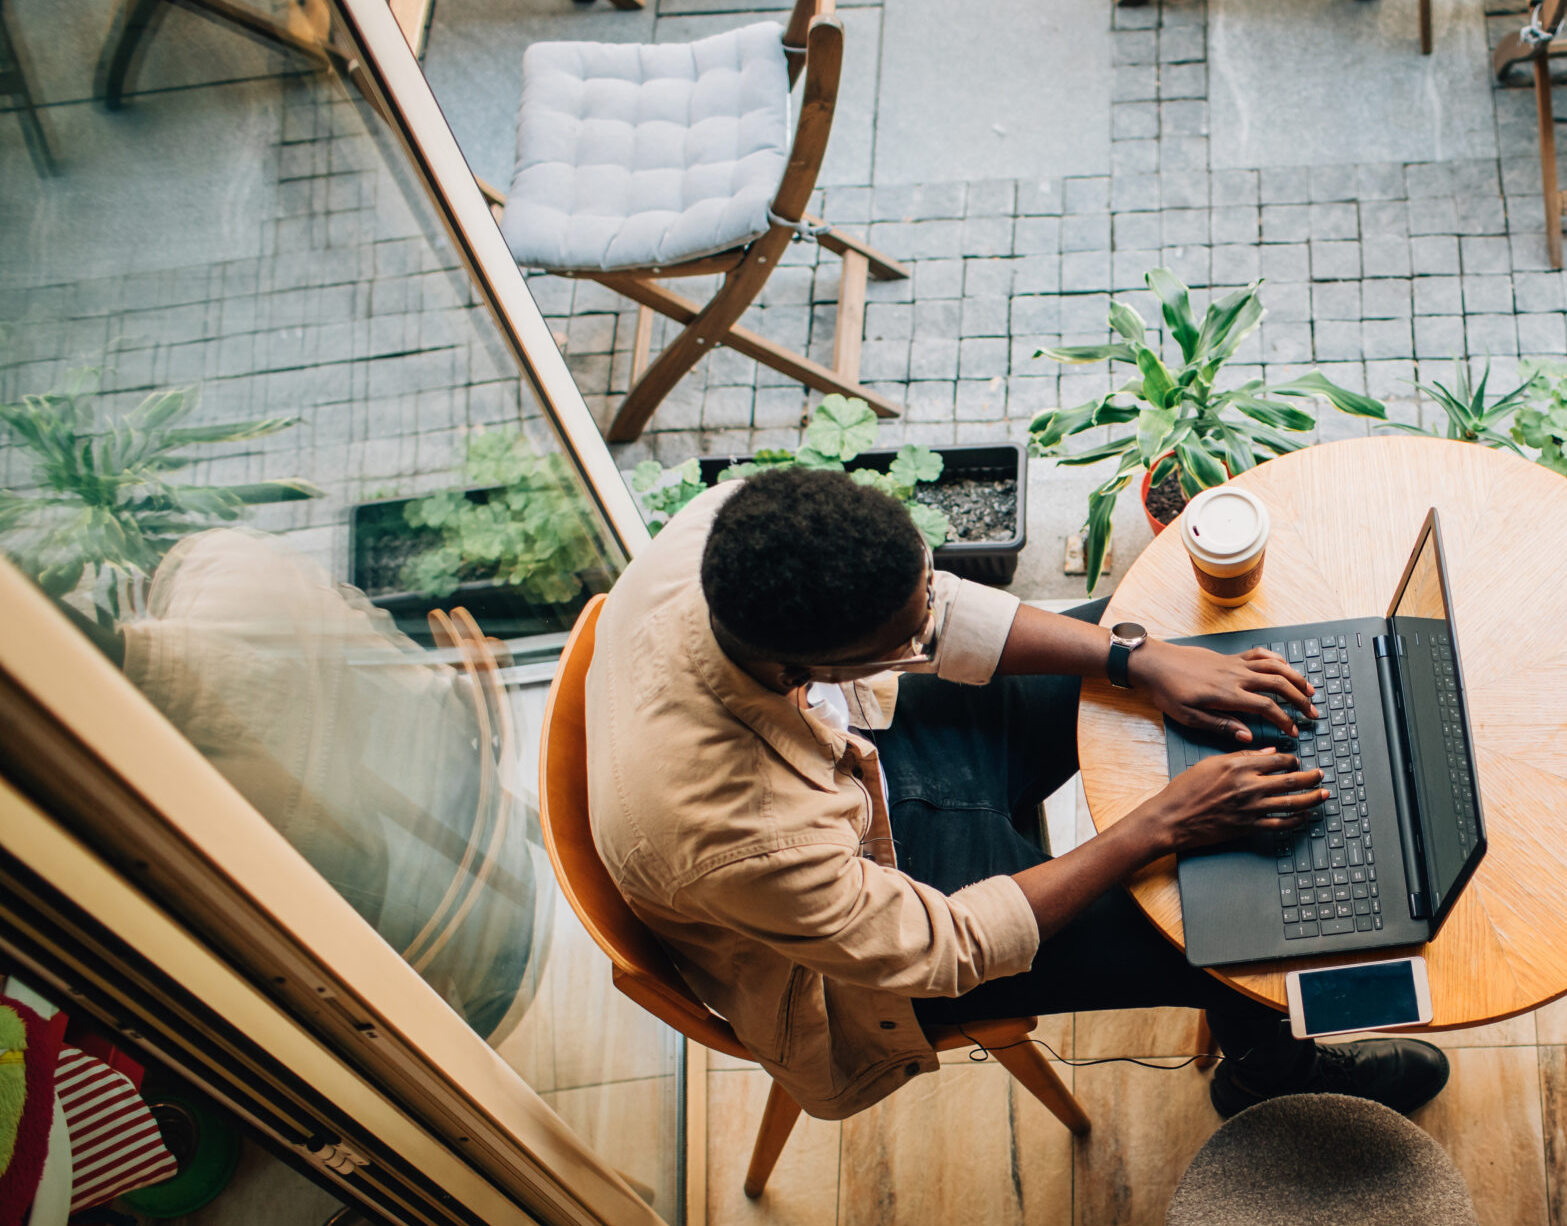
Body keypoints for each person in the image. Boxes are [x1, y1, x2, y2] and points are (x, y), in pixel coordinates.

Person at [583, 466, 1449, 1127]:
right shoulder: (736, 835)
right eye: (907, 639)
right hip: (873, 924)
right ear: (810, 667)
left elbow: (932, 609)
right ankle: (1272, 1080)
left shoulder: (731, 533)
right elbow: (944, 947)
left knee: (1159, 636)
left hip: (865, 754)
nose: (929, 624)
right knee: (1224, 932)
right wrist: (1165, 821)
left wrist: (1133, 657)